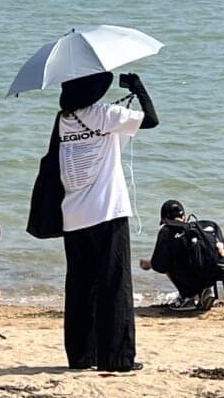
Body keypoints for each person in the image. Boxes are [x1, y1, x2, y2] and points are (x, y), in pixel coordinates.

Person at [54, 68, 158, 372]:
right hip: (107, 213)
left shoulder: (63, 120)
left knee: (79, 288)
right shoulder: (104, 113)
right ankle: (116, 359)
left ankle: (81, 357)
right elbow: (151, 119)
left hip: (73, 217)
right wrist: (137, 86)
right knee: (115, 286)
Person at [142, 198, 224, 311]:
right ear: (184, 217)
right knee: (200, 259)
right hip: (219, 270)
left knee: (169, 262)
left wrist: (149, 264)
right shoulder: (201, 229)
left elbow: (160, 265)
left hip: (193, 273)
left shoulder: (167, 232)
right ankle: (206, 290)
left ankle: (188, 297)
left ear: (165, 220)